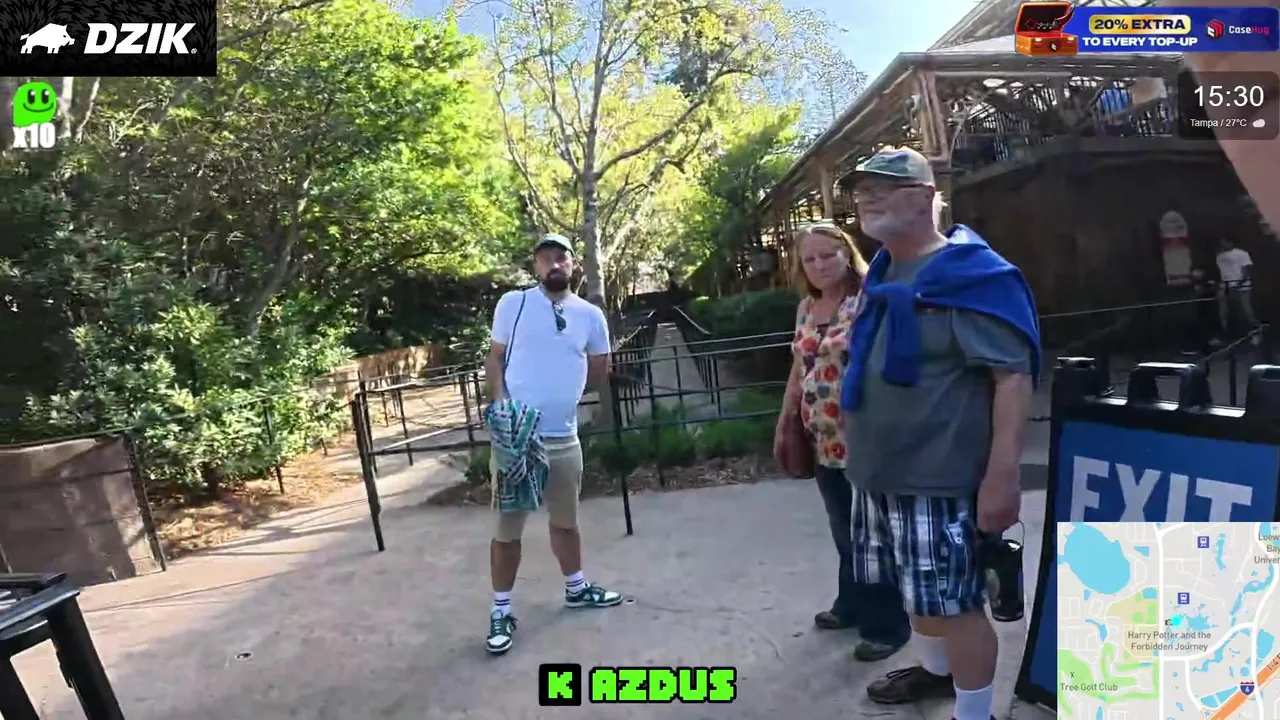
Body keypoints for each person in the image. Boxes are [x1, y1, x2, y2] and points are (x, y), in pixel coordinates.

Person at [839, 148, 1039, 720]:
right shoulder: (881, 271)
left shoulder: (974, 276)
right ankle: (935, 675)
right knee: (917, 597)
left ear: (927, 196)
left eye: (885, 187)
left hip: (940, 478)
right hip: (878, 474)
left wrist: (1002, 477)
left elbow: (1012, 377)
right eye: (862, 190)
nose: (867, 198)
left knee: (955, 609)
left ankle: (974, 713)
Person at [774, 220, 911, 662]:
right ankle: (850, 602)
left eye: (827, 254)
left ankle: (887, 626)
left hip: (863, 436)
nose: (819, 265)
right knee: (843, 527)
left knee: (875, 535)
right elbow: (800, 368)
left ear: (846, 254)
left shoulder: (869, 299)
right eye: (809, 259)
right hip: (820, 437)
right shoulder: (806, 307)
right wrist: (786, 419)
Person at [483, 233, 622, 655]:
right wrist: (501, 406)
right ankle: (501, 609)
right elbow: (495, 358)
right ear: (536, 266)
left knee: (566, 521)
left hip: (564, 436)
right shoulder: (513, 304)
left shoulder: (590, 315)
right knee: (507, 528)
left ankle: (576, 588)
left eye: (561, 257)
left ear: (573, 264)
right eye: (545, 259)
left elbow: (599, 367)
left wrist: (571, 398)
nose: (553, 264)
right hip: (517, 438)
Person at [1215, 238, 1259, 336]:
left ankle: (1256, 328)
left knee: (1246, 309)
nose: (1223, 244)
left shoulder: (1241, 254)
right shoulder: (1219, 256)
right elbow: (1221, 271)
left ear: (1231, 242)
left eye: (1225, 242)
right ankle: (1226, 331)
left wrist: (1237, 284)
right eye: (1222, 243)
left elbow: (1246, 272)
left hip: (1242, 286)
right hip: (1226, 286)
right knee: (1223, 310)